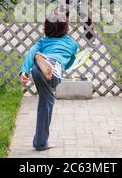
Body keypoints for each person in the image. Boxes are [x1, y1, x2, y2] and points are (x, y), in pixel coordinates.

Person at [19, 8, 79, 151]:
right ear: (66, 26)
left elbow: (30, 54)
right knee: (55, 74)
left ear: (46, 26)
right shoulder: (72, 44)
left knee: (45, 104)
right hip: (54, 68)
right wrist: (65, 65)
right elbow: (70, 62)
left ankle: (40, 143)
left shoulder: (42, 42)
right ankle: (47, 65)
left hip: (37, 71)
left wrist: (24, 71)